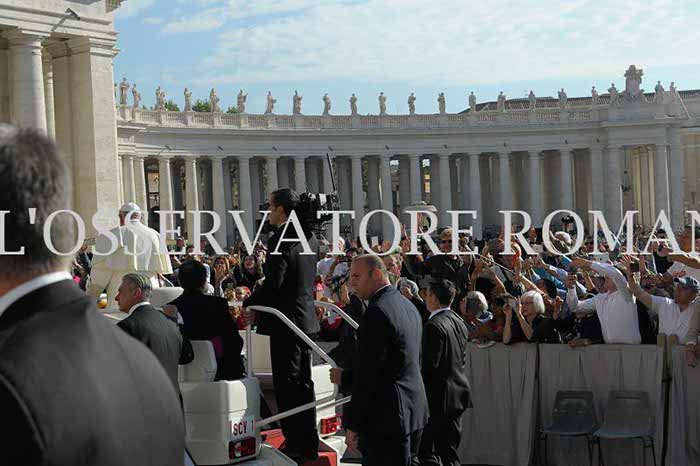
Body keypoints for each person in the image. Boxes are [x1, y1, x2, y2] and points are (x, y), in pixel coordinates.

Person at [0, 125, 185, 465]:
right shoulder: (147, 365)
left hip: (118, 295)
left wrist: (92, 293)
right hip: (145, 295)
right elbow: (164, 269)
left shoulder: (10, 378)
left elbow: (98, 276)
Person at [243, 188, 321, 462]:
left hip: (286, 322)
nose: (267, 212)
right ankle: (308, 440)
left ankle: (297, 442)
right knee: (303, 383)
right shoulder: (309, 236)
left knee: (288, 385)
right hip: (304, 318)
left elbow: (275, 284)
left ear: (281, 209)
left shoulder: (282, 238)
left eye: (270, 206)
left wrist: (250, 301)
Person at [340, 255, 429, 466]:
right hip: (412, 410)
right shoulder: (407, 305)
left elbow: (369, 374)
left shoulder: (377, 312)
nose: (352, 282)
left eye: (357, 276)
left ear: (377, 274)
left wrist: (353, 424)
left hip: (388, 418)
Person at [419, 279, 472, 466]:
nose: (425, 299)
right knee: (448, 451)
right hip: (456, 395)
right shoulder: (459, 322)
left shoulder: (434, 325)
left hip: (438, 399)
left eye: (427, 295)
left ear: (433, 298)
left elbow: (429, 367)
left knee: (427, 451)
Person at [169, 260, 245, 380]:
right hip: (221, 372)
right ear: (204, 281)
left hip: (181, 373)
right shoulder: (218, 304)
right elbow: (234, 340)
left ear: (179, 281)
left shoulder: (170, 307)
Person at [87, 202, 172, 309]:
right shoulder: (156, 235)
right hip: (149, 292)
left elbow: (99, 272)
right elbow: (162, 271)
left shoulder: (111, 235)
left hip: (121, 292)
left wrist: (92, 296)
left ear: (120, 218)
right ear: (141, 217)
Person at [115, 273, 191, 393]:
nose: (116, 297)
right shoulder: (171, 322)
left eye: (120, 291)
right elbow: (187, 356)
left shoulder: (126, 326)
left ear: (136, 293)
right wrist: (176, 322)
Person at [566, 258, 641, 344]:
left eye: (608, 276)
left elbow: (615, 274)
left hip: (631, 349)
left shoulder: (627, 294)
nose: (606, 277)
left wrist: (588, 263)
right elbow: (575, 307)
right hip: (608, 349)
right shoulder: (600, 298)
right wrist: (571, 289)